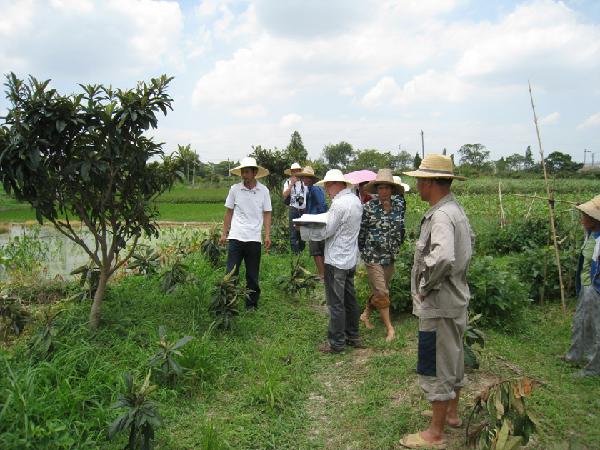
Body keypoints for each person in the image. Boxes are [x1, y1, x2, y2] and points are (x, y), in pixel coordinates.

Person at [399, 154, 473, 449]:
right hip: (455, 299)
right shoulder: (455, 210)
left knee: (437, 364)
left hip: (441, 302)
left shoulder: (441, 215)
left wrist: (425, 285)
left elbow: (442, 256)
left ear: (429, 182)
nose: (417, 185)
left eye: (419, 180)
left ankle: (435, 433)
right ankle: (451, 414)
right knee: (453, 358)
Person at [298, 169, 363, 353]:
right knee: (350, 299)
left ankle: (337, 343)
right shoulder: (355, 201)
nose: (327, 189)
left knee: (336, 302)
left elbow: (327, 231)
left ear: (338, 184)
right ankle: (353, 335)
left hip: (336, 259)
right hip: (350, 258)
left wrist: (304, 229)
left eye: (328, 185)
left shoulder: (339, 204)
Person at [358, 169, 406, 342]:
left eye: (386, 188)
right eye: (380, 188)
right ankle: (390, 329)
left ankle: (365, 314)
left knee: (381, 291)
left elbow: (401, 229)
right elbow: (362, 232)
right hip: (372, 255)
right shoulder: (369, 207)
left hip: (390, 255)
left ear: (392, 190)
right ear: (376, 190)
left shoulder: (399, 206)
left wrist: (398, 246)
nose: (383, 191)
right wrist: (364, 251)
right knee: (382, 291)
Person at [219, 157, 272, 309]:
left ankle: (251, 305)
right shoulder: (235, 189)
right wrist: (224, 233)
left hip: (254, 238)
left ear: (255, 173)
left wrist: (267, 235)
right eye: (243, 172)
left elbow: (267, 213)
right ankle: (229, 302)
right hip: (236, 236)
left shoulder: (263, 191)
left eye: (247, 172)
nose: (244, 175)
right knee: (231, 272)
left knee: (252, 275)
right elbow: (229, 212)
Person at [562, 194, 600, 377]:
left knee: (595, 326)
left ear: (595, 219)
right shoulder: (591, 234)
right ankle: (574, 355)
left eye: (586, 215)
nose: (582, 219)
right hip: (586, 285)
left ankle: (594, 367)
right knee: (580, 322)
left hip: (596, 287)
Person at [298, 166, 328, 281]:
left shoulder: (315, 190)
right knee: (319, 249)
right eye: (303, 177)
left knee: (316, 250)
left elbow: (322, 206)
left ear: (311, 179)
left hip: (316, 222)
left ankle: (322, 275)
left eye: (306, 178)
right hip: (314, 221)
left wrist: (317, 218)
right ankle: (323, 274)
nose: (304, 180)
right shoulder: (309, 190)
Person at [282, 162, 307, 254]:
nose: (296, 172)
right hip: (293, 209)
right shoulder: (288, 182)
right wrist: (291, 184)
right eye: (294, 171)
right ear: (291, 172)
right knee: (293, 231)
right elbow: (284, 195)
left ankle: (302, 251)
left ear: (300, 172)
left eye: (297, 171)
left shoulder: (304, 182)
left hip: (303, 209)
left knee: (302, 231)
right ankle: (295, 253)